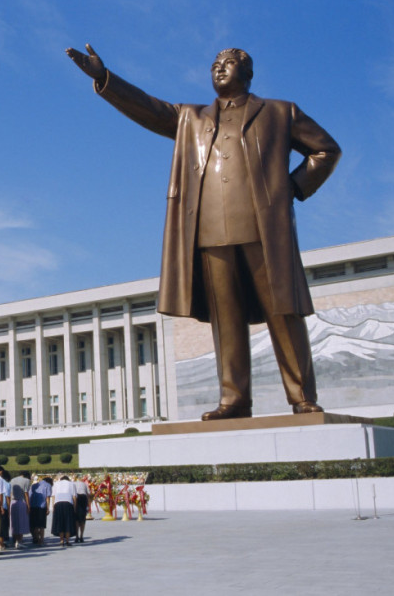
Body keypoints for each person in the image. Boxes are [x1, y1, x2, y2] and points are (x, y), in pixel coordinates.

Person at [66, 45, 341, 420]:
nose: (218, 69)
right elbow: (149, 107)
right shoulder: (190, 118)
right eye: (214, 65)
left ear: (248, 73)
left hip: (263, 226)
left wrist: (290, 189)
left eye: (227, 64)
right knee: (225, 317)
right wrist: (104, 78)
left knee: (283, 311)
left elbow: (325, 150)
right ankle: (234, 399)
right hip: (209, 228)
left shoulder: (279, 112)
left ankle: (302, 397)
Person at [50, 476, 77, 547]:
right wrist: (74, 507)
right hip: (68, 503)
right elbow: (74, 497)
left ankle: (61, 540)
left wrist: (53, 506)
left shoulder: (56, 483)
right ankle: (67, 541)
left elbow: (53, 496)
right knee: (68, 522)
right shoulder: (71, 484)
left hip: (58, 503)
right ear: (68, 479)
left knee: (60, 522)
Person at [9, 471, 31, 549]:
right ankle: (19, 541)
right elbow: (26, 494)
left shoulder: (12, 480)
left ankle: (14, 540)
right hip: (21, 502)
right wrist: (28, 505)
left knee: (14, 522)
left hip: (13, 502)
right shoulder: (27, 481)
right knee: (21, 522)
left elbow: (10, 493)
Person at [29, 476, 52, 546]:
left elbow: (30, 495)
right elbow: (48, 498)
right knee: (41, 525)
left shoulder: (34, 485)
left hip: (33, 506)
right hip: (42, 506)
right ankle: (41, 540)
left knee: (34, 524)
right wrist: (48, 508)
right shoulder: (48, 485)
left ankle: (35, 537)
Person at [73, 477, 90, 543]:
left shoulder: (73, 483)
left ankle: (77, 536)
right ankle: (81, 536)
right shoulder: (85, 484)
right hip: (83, 498)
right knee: (82, 520)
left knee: (76, 520)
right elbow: (88, 494)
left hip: (77, 498)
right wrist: (88, 505)